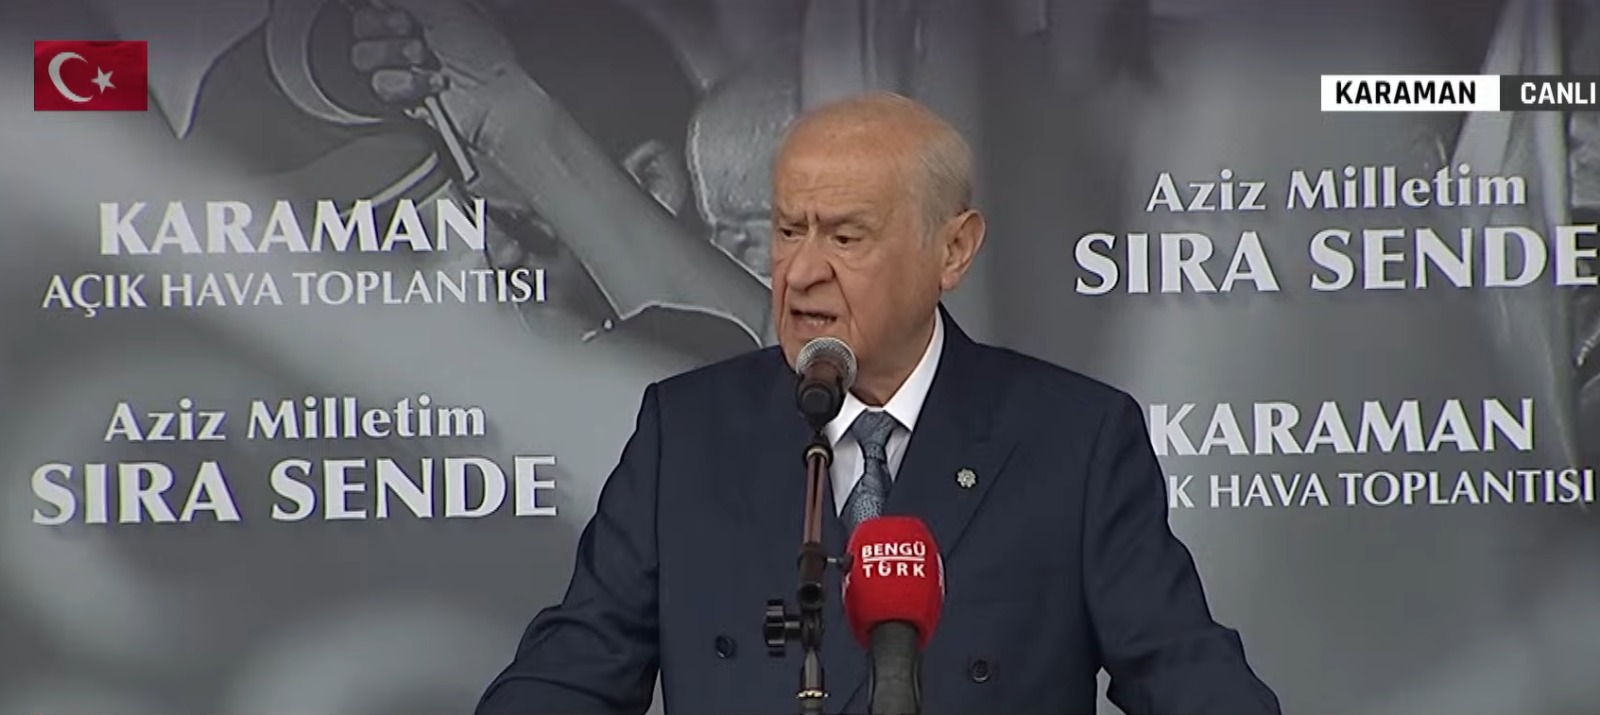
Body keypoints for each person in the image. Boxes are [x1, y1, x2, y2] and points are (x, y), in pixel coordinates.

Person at [476, 92, 1280, 715]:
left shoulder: (1073, 439)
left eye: (846, 237)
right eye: (788, 232)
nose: (802, 272)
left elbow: (1187, 673)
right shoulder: (684, 434)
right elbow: (568, 675)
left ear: (952, 250)